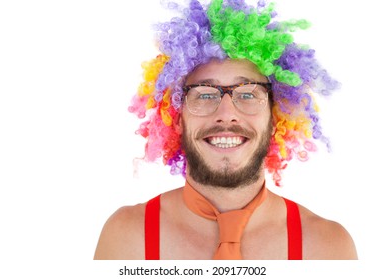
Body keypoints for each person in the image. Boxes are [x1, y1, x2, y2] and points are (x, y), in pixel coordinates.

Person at [94, 0, 357, 260]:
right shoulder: (127, 240)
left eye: (248, 94)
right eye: (205, 95)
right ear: (177, 118)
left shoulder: (327, 248)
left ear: (275, 117)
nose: (227, 114)